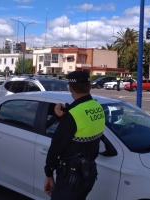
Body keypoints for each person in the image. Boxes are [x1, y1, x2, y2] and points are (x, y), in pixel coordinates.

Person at [44, 71, 105, 200]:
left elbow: (56, 147)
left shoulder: (72, 115)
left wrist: (48, 174)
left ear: (70, 88)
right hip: (89, 174)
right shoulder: (98, 107)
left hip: (71, 179)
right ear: (89, 87)